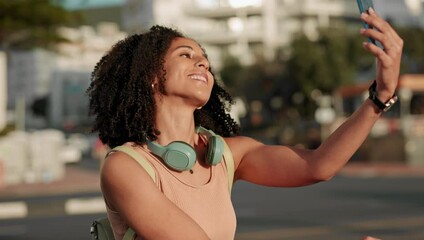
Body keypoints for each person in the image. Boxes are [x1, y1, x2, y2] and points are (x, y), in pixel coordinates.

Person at [87, 8, 402, 240]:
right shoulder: (125, 167)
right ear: (150, 76)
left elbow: (318, 166)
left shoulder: (226, 154)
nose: (202, 62)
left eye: (205, 60)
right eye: (186, 54)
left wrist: (379, 98)